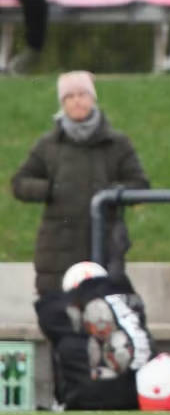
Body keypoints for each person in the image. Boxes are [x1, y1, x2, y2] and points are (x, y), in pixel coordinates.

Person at [12, 71, 148, 295]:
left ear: (92, 98)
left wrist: (112, 195)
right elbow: (19, 183)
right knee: (58, 314)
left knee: (103, 311)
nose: (77, 101)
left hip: (104, 242)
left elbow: (139, 184)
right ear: (62, 102)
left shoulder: (117, 144)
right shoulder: (48, 145)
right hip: (57, 248)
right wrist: (49, 189)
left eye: (83, 94)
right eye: (70, 96)